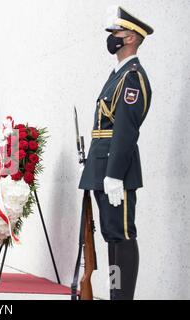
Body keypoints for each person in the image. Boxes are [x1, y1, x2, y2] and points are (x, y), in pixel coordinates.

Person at [79, 7, 153, 299]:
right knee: (112, 236)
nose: (112, 39)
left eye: (117, 33)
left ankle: (121, 297)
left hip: (114, 171)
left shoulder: (132, 78)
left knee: (121, 236)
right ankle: (115, 292)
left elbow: (125, 130)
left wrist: (113, 175)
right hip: (102, 167)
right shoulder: (117, 75)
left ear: (131, 38)